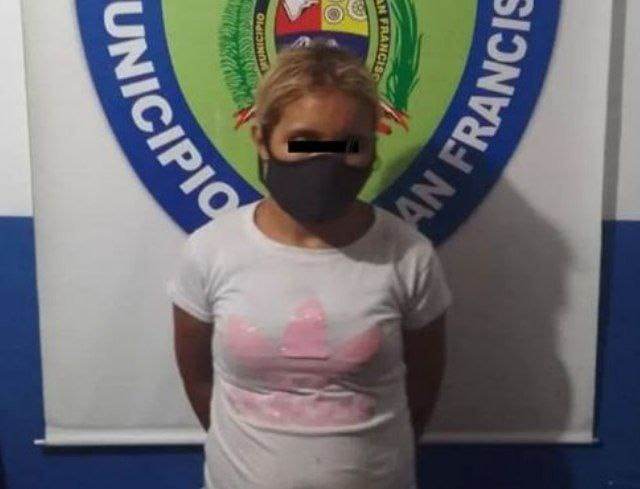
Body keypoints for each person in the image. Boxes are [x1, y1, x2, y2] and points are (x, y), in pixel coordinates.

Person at [166, 41, 453, 489]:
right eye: (303, 142)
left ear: (372, 147)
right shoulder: (210, 251)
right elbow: (199, 381)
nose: (327, 162)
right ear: (262, 140)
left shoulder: (408, 254)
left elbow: (422, 388)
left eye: (349, 145)